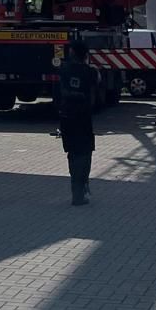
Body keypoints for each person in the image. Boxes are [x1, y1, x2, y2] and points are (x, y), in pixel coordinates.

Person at [57, 37, 97, 205]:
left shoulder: (63, 70)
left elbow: (57, 92)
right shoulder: (91, 72)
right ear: (86, 55)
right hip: (84, 118)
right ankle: (82, 188)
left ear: (71, 52)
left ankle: (76, 190)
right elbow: (95, 92)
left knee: (72, 153)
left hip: (66, 117)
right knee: (85, 152)